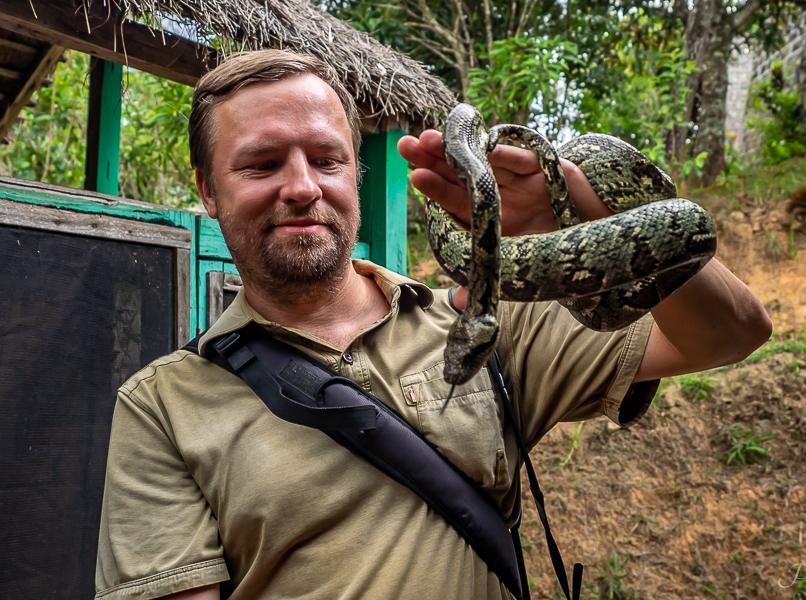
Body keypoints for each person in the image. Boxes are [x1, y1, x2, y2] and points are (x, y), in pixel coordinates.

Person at [94, 49, 771, 600]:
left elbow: (731, 334)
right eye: (262, 163)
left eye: (326, 159)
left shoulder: (495, 322)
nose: (301, 186)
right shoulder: (163, 407)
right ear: (208, 189)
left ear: (355, 173)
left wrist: (585, 215)